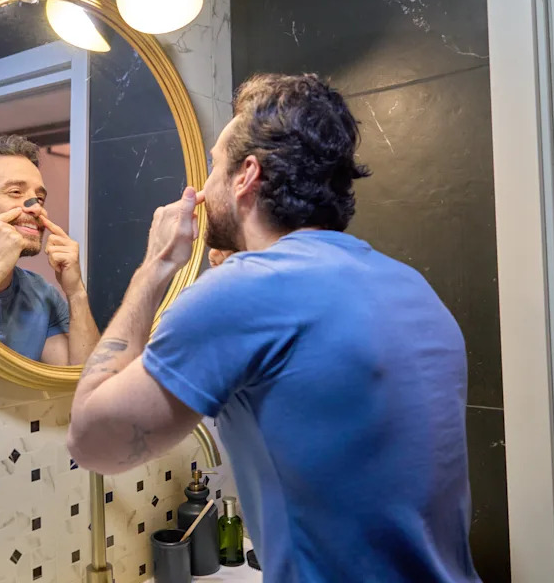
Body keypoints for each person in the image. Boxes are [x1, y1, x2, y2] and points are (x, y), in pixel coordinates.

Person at [67, 74, 480, 582]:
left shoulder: (245, 293)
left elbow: (90, 441)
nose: (202, 187)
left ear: (246, 175)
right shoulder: (412, 287)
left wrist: (154, 266)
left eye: (214, 166)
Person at [0, 135, 99, 364]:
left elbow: (84, 382)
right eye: (15, 192)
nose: (36, 209)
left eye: (39, 198)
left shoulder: (42, 295)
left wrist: (76, 293)